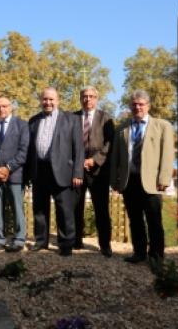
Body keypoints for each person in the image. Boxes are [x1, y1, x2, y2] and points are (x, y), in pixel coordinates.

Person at [110, 90, 174, 264]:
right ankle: (139, 253)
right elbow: (115, 157)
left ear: (148, 106)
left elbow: (167, 155)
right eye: (134, 104)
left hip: (152, 182)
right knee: (135, 220)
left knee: (154, 220)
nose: (137, 107)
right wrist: (114, 180)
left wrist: (164, 179)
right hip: (129, 181)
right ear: (130, 106)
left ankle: (156, 256)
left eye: (141, 104)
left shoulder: (162, 126)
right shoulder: (122, 128)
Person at [27, 87, 84, 256]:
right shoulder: (33, 121)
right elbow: (30, 149)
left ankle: (66, 244)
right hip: (40, 170)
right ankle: (41, 241)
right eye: (45, 99)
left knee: (64, 209)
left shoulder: (71, 119)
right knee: (39, 209)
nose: (48, 102)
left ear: (58, 101)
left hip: (63, 171)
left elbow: (79, 149)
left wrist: (78, 173)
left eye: (51, 99)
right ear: (41, 101)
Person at [73, 86, 114, 257]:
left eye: (91, 96)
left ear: (97, 99)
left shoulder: (106, 118)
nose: (87, 99)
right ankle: (76, 241)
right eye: (84, 96)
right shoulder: (73, 118)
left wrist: (95, 160)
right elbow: (68, 142)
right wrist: (78, 162)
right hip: (77, 169)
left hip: (99, 172)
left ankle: (105, 244)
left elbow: (110, 144)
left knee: (101, 209)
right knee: (76, 207)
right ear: (80, 98)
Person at [0, 96, 29, 252]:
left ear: (11, 107)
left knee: (17, 208)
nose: (1, 109)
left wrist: (8, 168)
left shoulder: (22, 125)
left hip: (15, 175)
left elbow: (23, 152)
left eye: (4, 106)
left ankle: (19, 239)